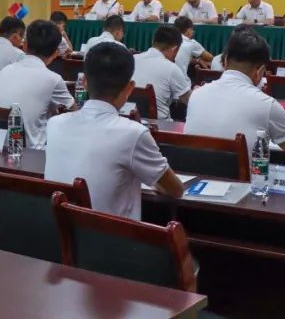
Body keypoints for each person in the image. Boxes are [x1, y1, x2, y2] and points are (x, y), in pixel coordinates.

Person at [45, 42, 185, 219]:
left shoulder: (54, 124)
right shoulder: (133, 133)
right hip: (111, 235)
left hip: (59, 230)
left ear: (84, 82)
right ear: (130, 88)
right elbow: (176, 190)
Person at [185, 30, 285, 157]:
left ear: (225, 62)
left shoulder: (196, 95)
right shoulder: (267, 105)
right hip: (243, 172)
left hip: (192, 170)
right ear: (260, 71)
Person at [0, 20, 75, 148]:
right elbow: (74, 112)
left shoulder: (5, 70)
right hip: (28, 153)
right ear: (56, 52)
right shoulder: (53, 79)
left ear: (24, 46)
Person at [131, 25, 192, 120]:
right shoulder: (171, 68)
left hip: (130, 120)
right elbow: (189, 100)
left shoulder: (131, 60)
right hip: (159, 126)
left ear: (153, 41)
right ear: (174, 49)